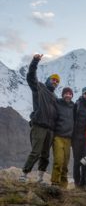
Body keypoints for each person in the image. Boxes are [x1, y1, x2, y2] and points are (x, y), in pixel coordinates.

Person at [19, 54, 60, 183]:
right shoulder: (39, 88)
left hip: (50, 129)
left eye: (57, 81)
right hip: (39, 126)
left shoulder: (55, 97)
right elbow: (31, 77)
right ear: (48, 80)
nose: (55, 82)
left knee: (45, 155)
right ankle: (24, 175)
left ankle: (40, 178)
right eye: (53, 79)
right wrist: (35, 61)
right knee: (35, 152)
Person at [51, 87, 74, 188]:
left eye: (70, 94)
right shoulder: (57, 104)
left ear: (72, 96)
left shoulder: (74, 106)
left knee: (65, 163)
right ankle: (55, 183)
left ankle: (63, 186)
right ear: (62, 95)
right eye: (66, 94)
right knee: (58, 161)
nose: (68, 95)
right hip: (58, 137)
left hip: (68, 138)